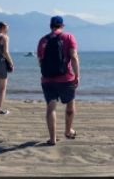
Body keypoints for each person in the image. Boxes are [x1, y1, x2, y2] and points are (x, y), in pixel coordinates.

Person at [38, 15, 80, 146]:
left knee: (51, 108)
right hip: (66, 78)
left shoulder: (43, 40)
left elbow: (40, 61)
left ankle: (52, 139)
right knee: (70, 104)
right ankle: (68, 131)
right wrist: (77, 75)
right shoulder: (68, 37)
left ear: (50, 26)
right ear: (62, 26)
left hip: (47, 79)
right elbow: (73, 57)